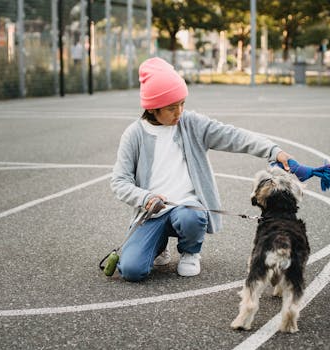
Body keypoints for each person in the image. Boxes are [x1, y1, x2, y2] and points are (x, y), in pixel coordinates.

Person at [110, 57, 291, 282]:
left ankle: (190, 251)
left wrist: (273, 151)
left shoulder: (191, 123)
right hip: (152, 211)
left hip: (187, 207)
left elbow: (233, 136)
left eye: (182, 104)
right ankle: (158, 246)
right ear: (153, 108)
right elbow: (119, 181)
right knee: (131, 270)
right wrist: (144, 197)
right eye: (171, 107)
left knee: (192, 216)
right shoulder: (134, 134)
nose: (179, 112)